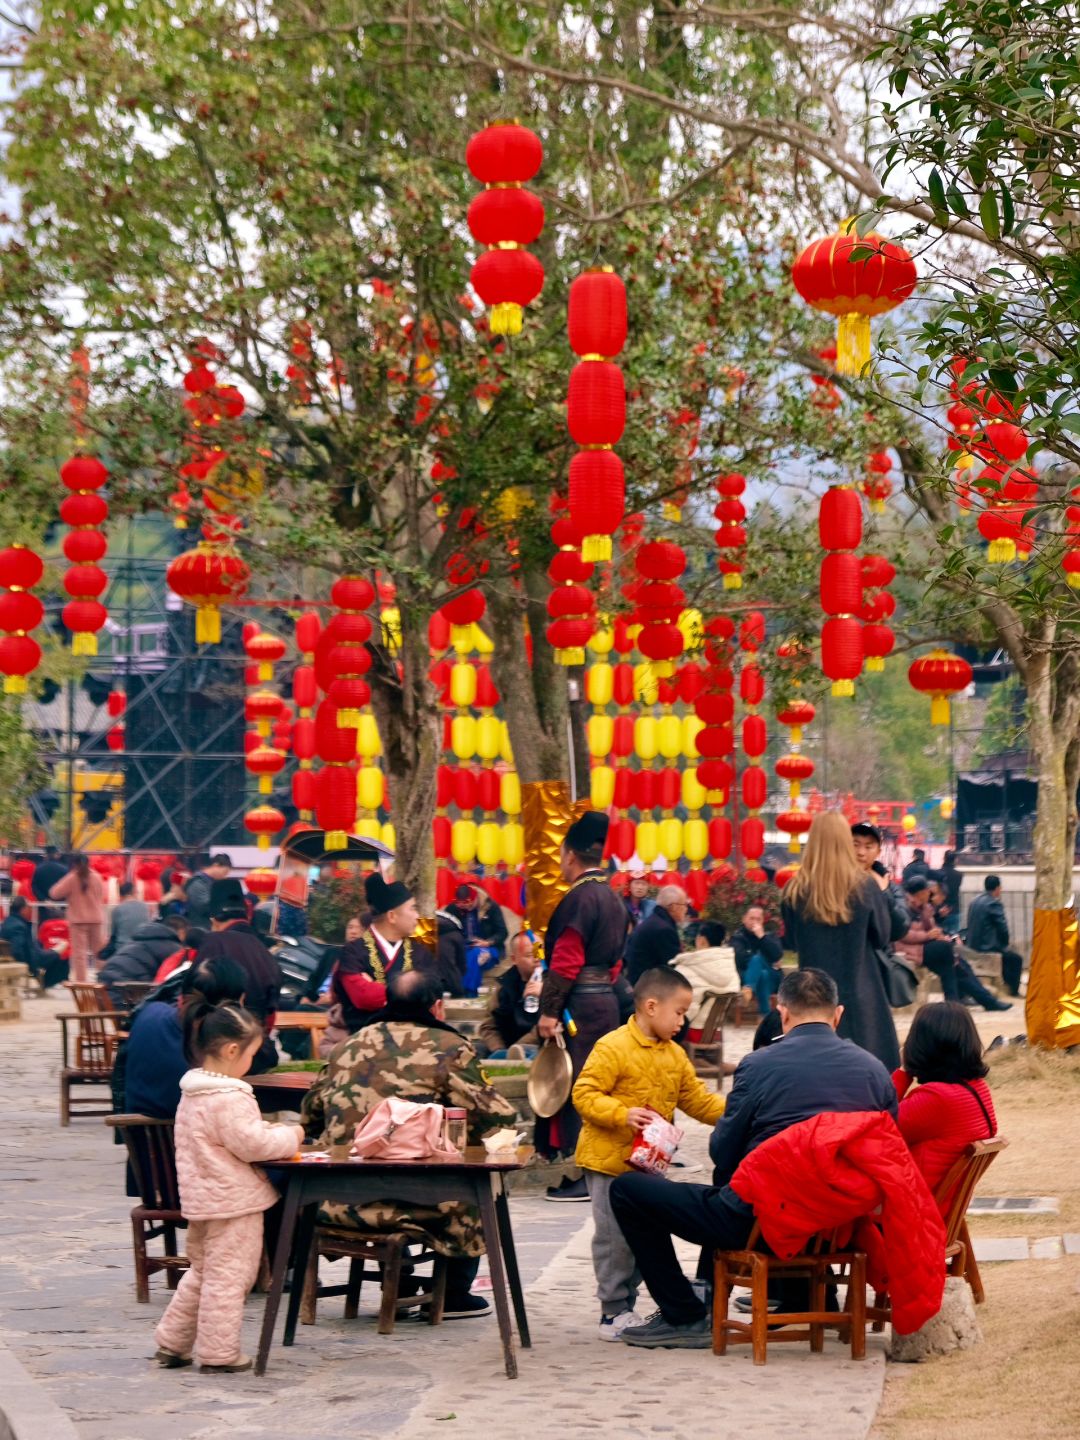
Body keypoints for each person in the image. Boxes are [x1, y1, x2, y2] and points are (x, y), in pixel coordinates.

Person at [609, 969, 898, 1348]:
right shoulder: (875, 1071)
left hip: (761, 1221)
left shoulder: (759, 1066)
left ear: (783, 1013)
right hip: (837, 1224)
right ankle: (804, 1295)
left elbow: (722, 1151)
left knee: (629, 1190)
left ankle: (685, 1313)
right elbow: (888, 1155)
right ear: (838, 1014)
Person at [301, 970, 517, 1319]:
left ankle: (398, 1281)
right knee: (473, 1191)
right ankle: (452, 1293)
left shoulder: (346, 1046)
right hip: (418, 1201)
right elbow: (497, 1118)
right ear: (436, 1007)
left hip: (338, 1197)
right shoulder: (449, 1047)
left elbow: (310, 1117)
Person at [573, 967, 727, 1340]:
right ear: (651, 1006)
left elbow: (697, 1100)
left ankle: (628, 1302)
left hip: (648, 1166)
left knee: (642, 1237)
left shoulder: (674, 1055)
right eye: (679, 1012)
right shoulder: (613, 1047)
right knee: (614, 1240)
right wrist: (620, 1114)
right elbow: (584, 1093)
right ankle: (613, 1311)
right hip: (609, 1162)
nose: (682, 1021)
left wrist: (739, 1112)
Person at [152, 999, 303, 1373]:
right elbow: (254, 1144)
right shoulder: (230, 1096)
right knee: (230, 1277)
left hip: (203, 1198)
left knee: (202, 1271)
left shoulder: (193, 1092)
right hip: (234, 1201)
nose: (251, 1063)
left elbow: (223, 1140)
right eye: (251, 1054)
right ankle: (220, 1354)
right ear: (233, 1050)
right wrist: (291, 1134)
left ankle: (172, 1342)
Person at [536, 811, 628, 1201]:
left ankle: (582, 1170)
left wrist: (550, 1011)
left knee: (578, 1087)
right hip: (604, 1002)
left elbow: (566, 960)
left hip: (579, 1009)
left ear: (570, 855)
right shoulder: (612, 897)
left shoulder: (578, 899)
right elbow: (617, 963)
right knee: (603, 1084)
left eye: (561, 854)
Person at [780, 812, 901, 1070]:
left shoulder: (794, 890)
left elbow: (790, 942)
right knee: (868, 1071)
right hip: (862, 995)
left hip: (812, 996)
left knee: (818, 1071)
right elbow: (882, 936)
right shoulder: (865, 886)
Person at [893, 1001, 997, 1200]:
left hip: (912, 1206)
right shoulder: (976, 1088)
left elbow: (874, 1126)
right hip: (944, 1201)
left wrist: (903, 1072)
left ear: (920, 1044)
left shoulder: (935, 1099)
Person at [123, 954, 248, 1119]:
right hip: (187, 1137)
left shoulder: (151, 1012)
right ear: (231, 1006)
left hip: (139, 1137)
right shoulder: (211, 1047)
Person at [194, 879, 283, 1072]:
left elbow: (191, 1001)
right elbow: (270, 1014)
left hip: (218, 1056)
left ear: (213, 920)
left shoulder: (212, 943)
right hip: (257, 1053)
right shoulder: (264, 950)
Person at [330, 872, 435, 1032]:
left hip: (412, 1038)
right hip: (363, 1040)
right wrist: (411, 995)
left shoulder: (421, 951)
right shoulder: (353, 952)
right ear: (392, 916)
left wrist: (376, 987)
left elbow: (432, 994)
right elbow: (362, 997)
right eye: (412, 909)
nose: (417, 916)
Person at [899, 877, 1009, 1012]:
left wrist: (940, 935)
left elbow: (932, 928)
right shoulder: (903, 908)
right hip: (911, 949)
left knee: (953, 965)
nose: (930, 893)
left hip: (927, 946)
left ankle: (960, 1002)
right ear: (920, 892)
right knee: (951, 956)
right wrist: (928, 935)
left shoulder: (925, 907)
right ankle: (975, 1001)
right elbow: (902, 934)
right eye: (927, 891)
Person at [475, 929, 542, 1058]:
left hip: (542, 1046)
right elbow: (489, 1025)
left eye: (540, 951)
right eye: (529, 955)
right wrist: (499, 1050)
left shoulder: (555, 984)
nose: (537, 959)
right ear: (514, 959)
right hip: (508, 1045)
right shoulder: (505, 986)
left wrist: (545, 995)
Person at [670, 921, 739, 1040]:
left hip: (691, 1032)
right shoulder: (731, 968)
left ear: (701, 940)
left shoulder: (686, 968)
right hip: (716, 1032)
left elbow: (685, 1011)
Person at [98, 914, 189, 1005]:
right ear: (181, 932)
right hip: (127, 998)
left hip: (102, 996)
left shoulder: (135, 942)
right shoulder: (174, 949)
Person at [48, 852, 106, 983]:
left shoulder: (72, 877)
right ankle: (104, 979)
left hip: (78, 920)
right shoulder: (97, 877)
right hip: (96, 918)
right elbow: (102, 894)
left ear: (74, 864)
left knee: (80, 954)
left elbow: (54, 893)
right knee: (99, 952)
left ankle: (81, 982)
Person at [965, 875, 1023, 996]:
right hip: (987, 945)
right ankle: (1013, 990)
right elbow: (1002, 928)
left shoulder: (974, 901)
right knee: (1016, 959)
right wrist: (1005, 944)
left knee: (1009, 957)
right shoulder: (993, 904)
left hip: (972, 944)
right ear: (997, 888)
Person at [448, 884, 508, 995]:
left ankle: (467, 992)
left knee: (475, 955)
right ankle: (469, 993)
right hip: (464, 946)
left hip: (489, 947)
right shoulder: (453, 908)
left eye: (467, 903)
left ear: (475, 898)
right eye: (460, 904)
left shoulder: (490, 907)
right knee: (466, 955)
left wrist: (488, 942)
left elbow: (502, 932)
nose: (464, 907)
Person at [623, 885, 689, 986]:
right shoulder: (664, 929)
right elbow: (674, 967)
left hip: (639, 982)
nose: (686, 909)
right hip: (648, 988)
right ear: (673, 906)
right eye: (684, 905)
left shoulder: (655, 922)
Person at [0, 895, 68, 989]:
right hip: (32, 958)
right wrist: (30, 966)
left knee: (57, 952)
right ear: (23, 909)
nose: (31, 909)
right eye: (29, 907)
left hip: (32, 954)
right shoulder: (19, 926)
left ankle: (45, 983)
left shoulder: (9, 922)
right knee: (60, 956)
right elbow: (17, 950)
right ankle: (46, 985)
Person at [728, 905, 784, 995]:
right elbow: (740, 959)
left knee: (765, 972)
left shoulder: (770, 937)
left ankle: (749, 989)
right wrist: (765, 961)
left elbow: (777, 955)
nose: (755, 922)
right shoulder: (737, 938)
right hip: (747, 976)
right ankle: (750, 990)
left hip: (770, 980)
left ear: (763, 921)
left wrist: (762, 937)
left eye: (758, 919)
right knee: (761, 970)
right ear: (744, 919)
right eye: (751, 918)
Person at [102, 881, 152, 956]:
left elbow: (113, 934)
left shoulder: (118, 909)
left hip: (122, 948)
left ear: (121, 895)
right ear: (134, 892)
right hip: (142, 947)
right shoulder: (145, 907)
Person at [184, 855, 232, 931]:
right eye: (224, 872)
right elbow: (204, 906)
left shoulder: (212, 883)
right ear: (216, 865)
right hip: (199, 929)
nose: (224, 876)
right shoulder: (197, 883)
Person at [434, 907, 468, 998]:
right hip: (453, 984)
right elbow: (462, 964)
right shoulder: (455, 933)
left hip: (429, 985)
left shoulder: (422, 930)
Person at [30, 845, 66, 920]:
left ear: (46, 855)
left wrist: (44, 899)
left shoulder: (38, 869)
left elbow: (34, 887)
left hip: (43, 906)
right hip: (60, 906)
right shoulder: (64, 869)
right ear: (56, 855)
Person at [934, 850, 964, 935]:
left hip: (940, 910)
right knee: (954, 937)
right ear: (955, 860)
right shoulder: (959, 875)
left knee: (940, 936)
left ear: (944, 858)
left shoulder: (937, 873)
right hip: (954, 909)